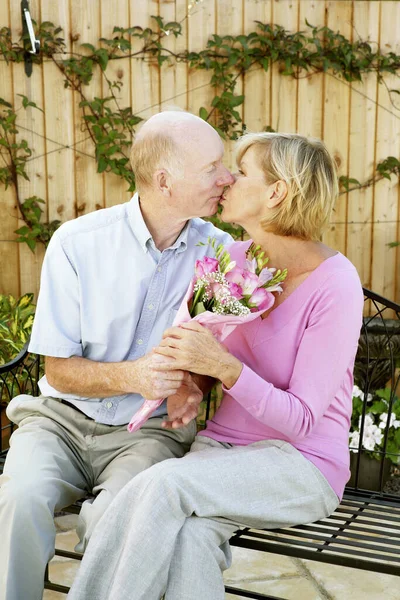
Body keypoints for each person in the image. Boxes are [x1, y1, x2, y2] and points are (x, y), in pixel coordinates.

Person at [67, 132, 364, 600]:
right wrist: (195, 383)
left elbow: (304, 419)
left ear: (276, 192)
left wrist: (225, 370)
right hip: (220, 454)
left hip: (300, 465)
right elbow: (211, 352)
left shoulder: (336, 284)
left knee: (162, 484)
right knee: (189, 537)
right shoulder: (235, 261)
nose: (227, 179)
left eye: (243, 172)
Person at [0, 110, 234, 600]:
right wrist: (136, 375)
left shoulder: (222, 253)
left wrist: (195, 385)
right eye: (212, 167)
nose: (227, 177)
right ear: (165, 180)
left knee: (119, 520)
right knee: (19, 501)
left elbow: (213, 353)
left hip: (149, 433)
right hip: (58, 421)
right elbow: (60, 372)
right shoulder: (77, 244)